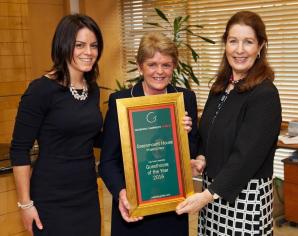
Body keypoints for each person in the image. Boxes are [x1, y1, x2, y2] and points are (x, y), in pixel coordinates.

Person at [176, 11, 282, 235]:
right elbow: (209, 131)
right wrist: (202, 156)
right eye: (233, 41)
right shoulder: (220, 87)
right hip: (213, 195)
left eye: (248, 42)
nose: (239, 50)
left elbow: (245, 157)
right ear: (225, 44)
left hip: (245, 199)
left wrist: (205, 196)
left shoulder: (264, 94)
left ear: (261, 46)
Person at [10, 14, 103, 236]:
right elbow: (20, 150)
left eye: (94, 45)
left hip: (87, 194)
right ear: (63, 45)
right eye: (79, 45)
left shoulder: (92, 89)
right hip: (51, 198)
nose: (88, 52)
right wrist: (25, 204)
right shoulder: (41, 90)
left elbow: (92, 136)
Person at [99, 32, 198, 236]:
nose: (159, 71)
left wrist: (185, 137)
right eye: (152, 64)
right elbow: (107, 162)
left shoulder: (185, 99)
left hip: (172, 208)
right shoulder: (121, 101)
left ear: (174, 66)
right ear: (140, 65)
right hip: (133, 209)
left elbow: (194, 151)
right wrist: (122, 193)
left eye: (166, 65)